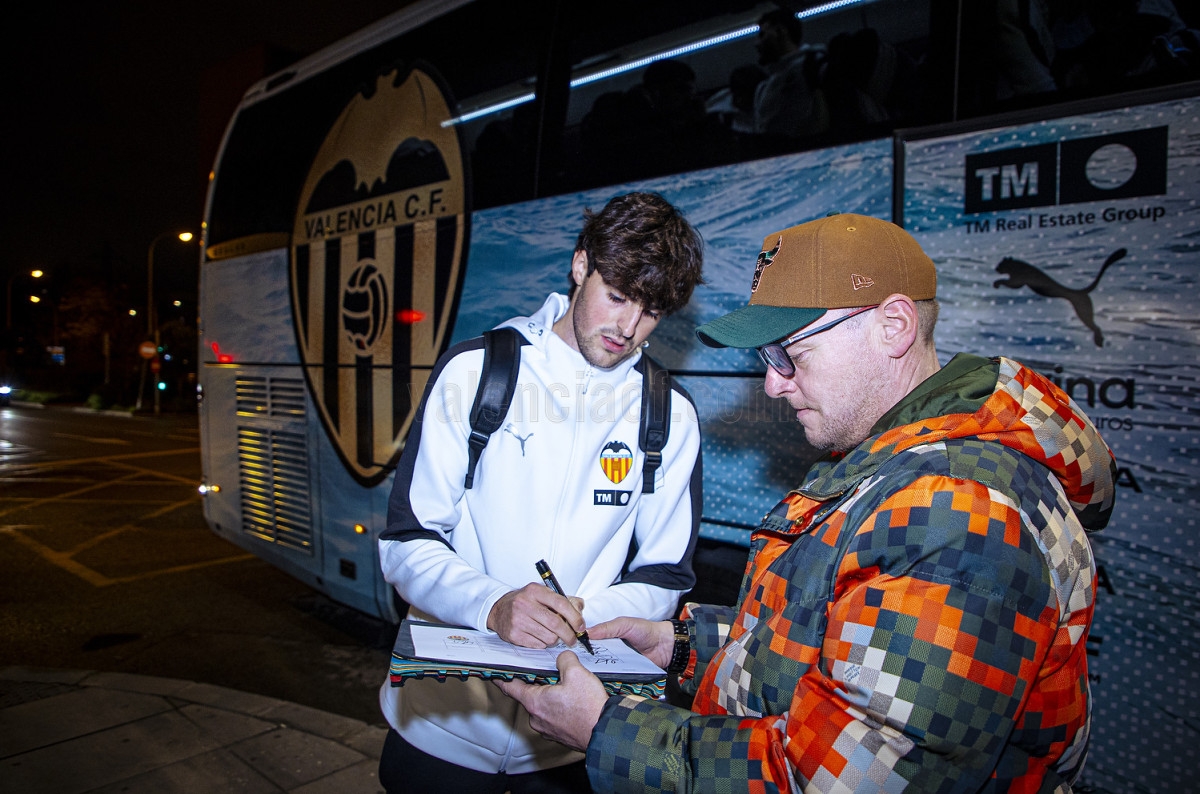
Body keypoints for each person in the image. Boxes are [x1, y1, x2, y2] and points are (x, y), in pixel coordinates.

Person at [498, 213, 1117, 792]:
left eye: (791, 354)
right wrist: (682, 646)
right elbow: (837, 646)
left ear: (893, 326)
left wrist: (607, 730)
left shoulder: (958, 506)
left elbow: (842, 777)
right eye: (767, 359)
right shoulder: (895, 465)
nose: (773, 383)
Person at [377, 191, 706, 792]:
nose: (628, 328)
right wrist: (493, 606)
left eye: (652, 312)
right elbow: (406, 542)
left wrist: (576, 619)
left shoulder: (670, 412)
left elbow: (666, 575)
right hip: (441, 728)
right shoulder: (475, 372)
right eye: (618, 296)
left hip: (568, 748)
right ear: (581, 265)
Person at [752, 8, 828, 140]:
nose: (757, 44)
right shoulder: (765, 86)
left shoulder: (816, 65)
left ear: (781, 31)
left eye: (762, 35)